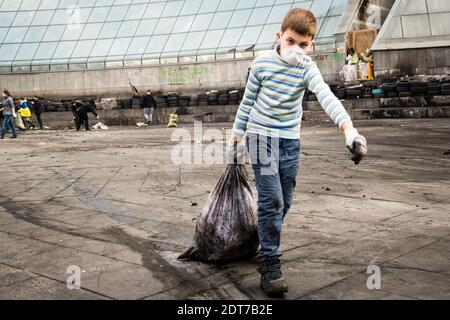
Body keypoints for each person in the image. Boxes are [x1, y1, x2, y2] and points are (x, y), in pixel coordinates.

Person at [229, 8, 368, 296]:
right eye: (291, 42)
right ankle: (270, 262)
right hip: (260, 137)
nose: (296, 49)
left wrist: (349, 130)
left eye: (304, 45)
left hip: (290, 140)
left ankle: (264, 237)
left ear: (312, 45)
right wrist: (236, 137)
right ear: (279, 37)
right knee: (273, 199)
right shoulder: (262, 63)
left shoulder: (307, 67)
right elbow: (246, 102)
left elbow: (326, 96)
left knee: (285, 200)